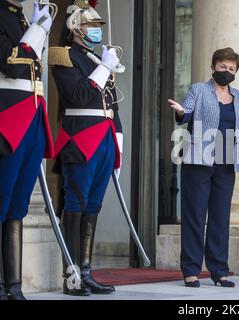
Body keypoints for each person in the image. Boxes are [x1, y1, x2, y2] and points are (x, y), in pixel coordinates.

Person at [50, 0, 123, 296]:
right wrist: (104, 66)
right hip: (80, 137)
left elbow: (111, 105)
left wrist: (118, 137)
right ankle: (72, 274)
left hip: (104, 137)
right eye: (91, 25)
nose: (96, 30)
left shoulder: (96, 58)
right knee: (77, 203)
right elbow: (79, 95)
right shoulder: (64, 56)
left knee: (94, 205)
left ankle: (88, 270)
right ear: (75, 27)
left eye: (97, 26)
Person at [168, 47, 239, 288]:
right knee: (194, 216)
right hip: (198, 160)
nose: (227, 71)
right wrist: (182, 114)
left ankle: (219, 271)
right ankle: (191, 270)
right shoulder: (198, 89)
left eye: (231, 68)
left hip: (226, 163)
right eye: (223, 67)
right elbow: (187, 112)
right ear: (213, 67)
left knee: (220, 218)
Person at [0, 0, 54, 300]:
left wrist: (33, 26)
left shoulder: (20, 18)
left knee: (18, 204)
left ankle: (14, 285)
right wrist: (36, 30)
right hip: (7, 114)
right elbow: (8, 61)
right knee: (3, 197)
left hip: (32, 114)